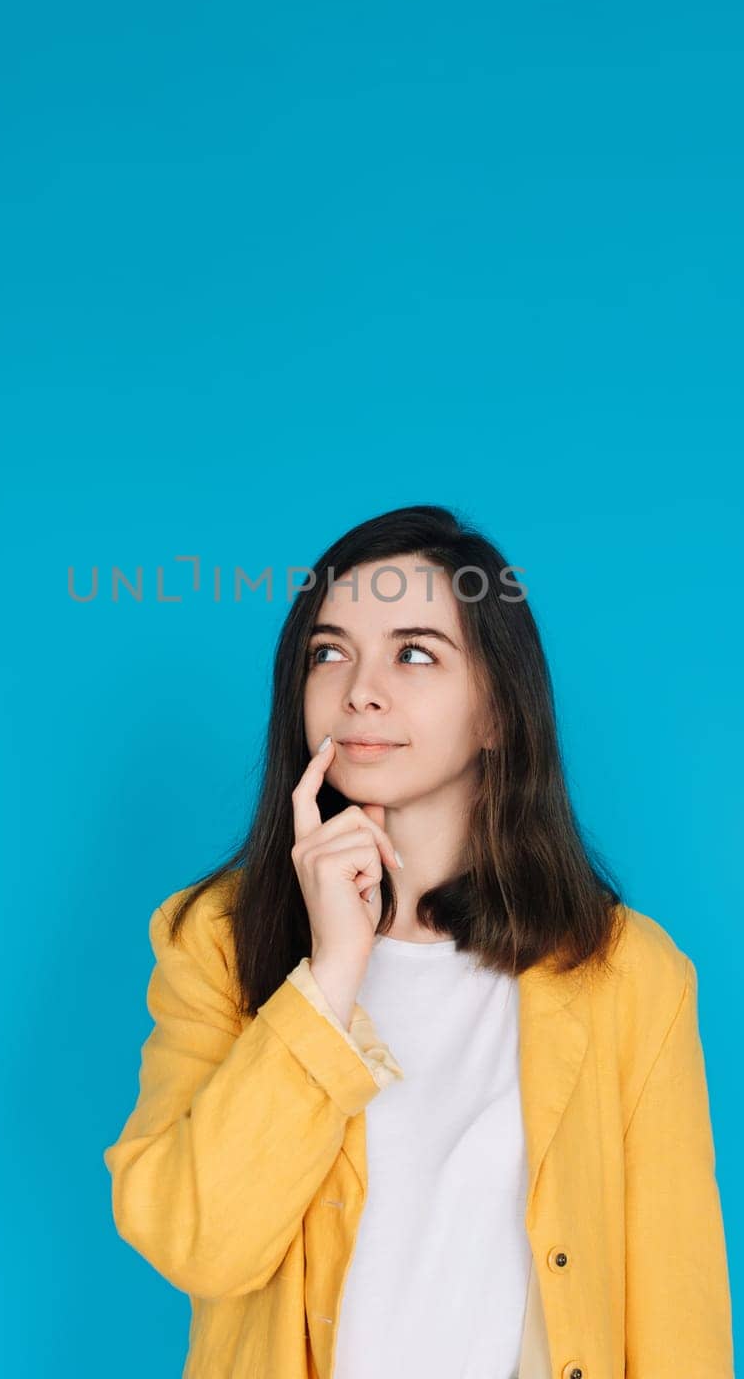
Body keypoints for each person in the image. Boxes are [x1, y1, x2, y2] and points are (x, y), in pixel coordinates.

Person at [103, 503, 734, 1378]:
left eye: (413, 653)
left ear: (497, 712)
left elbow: (679, 1312)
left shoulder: (626, 971)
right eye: (330, 653)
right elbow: (198, 1242)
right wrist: (331, 973)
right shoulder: (212, 938)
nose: (361, 688)